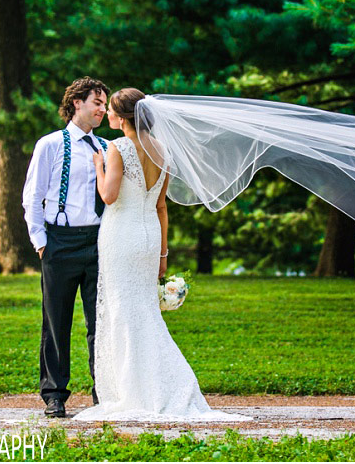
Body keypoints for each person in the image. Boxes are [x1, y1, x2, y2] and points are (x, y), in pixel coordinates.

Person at [71, 88, 247, 422]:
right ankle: (158, 383)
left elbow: (109, 196)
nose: (106, 114)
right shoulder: (163, 150)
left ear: (121, 117)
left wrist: (98, 167)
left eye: (109, 109)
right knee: (145, 310)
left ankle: (134, 389)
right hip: (150, 235)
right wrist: (163, 254)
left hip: (121, 235)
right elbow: (162, 206)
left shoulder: (117, 147)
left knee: (124, 310)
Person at [22, 77, 110, 419]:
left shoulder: (105, 146)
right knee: (55, 320)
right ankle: (54, 394)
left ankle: (103, 390)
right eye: (97, 103)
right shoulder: (51, 144)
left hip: (98, 242)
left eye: (104, 104)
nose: (102, 109)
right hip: (59, 242)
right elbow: (33, 195)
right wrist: (41, 242)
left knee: (99, 322)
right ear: (76, 103)